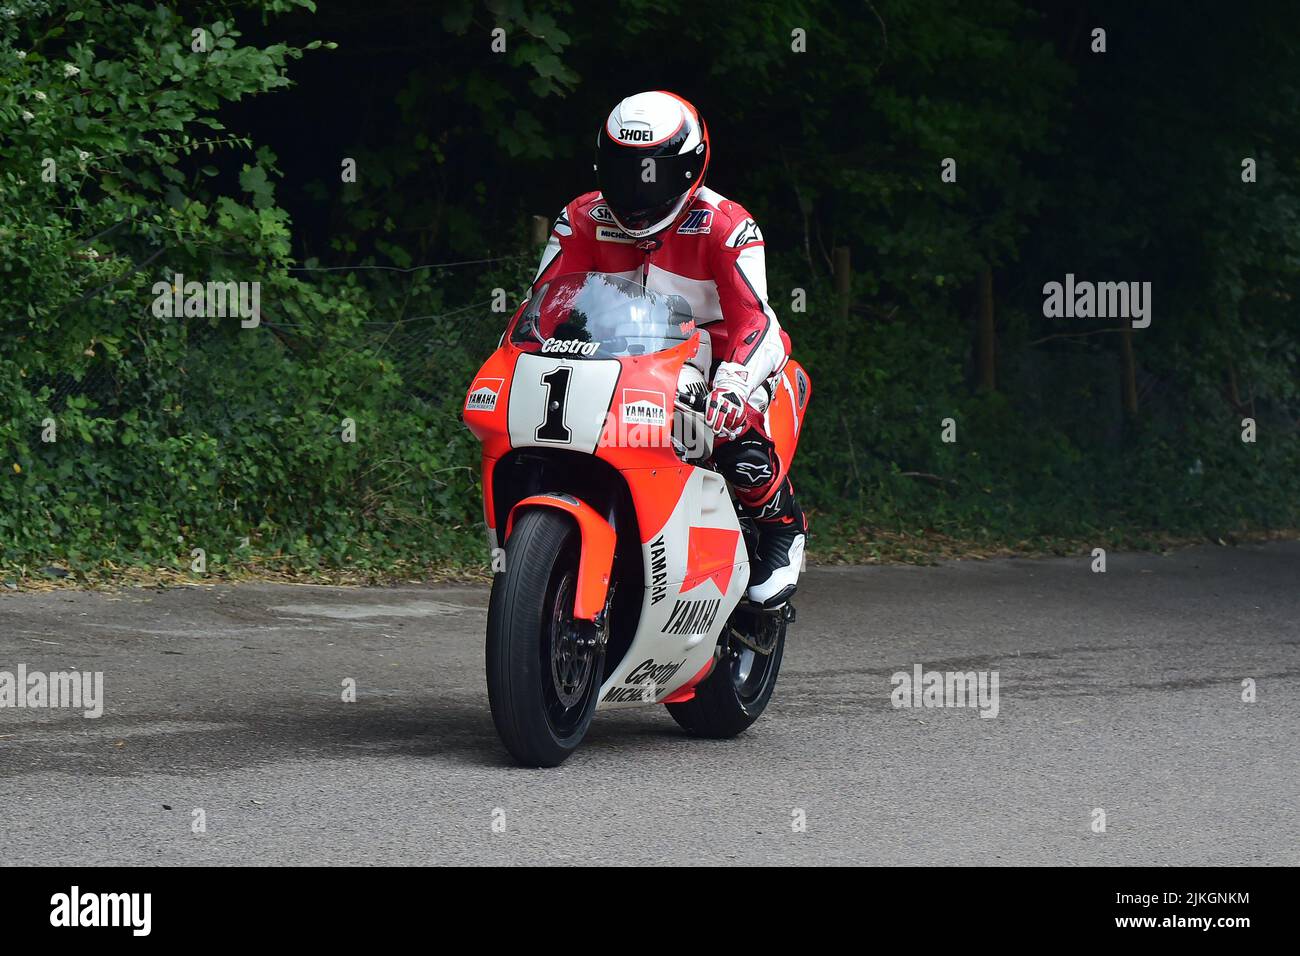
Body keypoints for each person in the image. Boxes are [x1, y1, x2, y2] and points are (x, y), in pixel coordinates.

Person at [532, 90, 805, 607]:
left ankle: (781, 527)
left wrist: (734, 383)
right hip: (611, 359)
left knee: (729, 433)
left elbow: (756, 321)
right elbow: (544, 303)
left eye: (650, 175)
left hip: (719, 359)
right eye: (622, 172)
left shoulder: (727, 226)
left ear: (687, 169)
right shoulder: (580, 217)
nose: (636, 192)